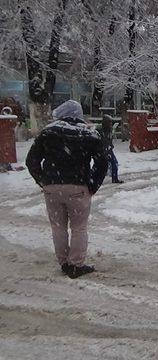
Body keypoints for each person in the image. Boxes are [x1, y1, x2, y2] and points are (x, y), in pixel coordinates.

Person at [26, 100, 108, 279]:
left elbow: (31, 160)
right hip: (78, 187)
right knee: (79, 227)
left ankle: (63, 262)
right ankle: (76, 265)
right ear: (78, 115)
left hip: (52, 187)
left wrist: (43, 181)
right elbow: (102, 161)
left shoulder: (48, 132)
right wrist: (93, 185)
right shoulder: (88, 134)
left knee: (58, 227)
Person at [101, 115, 123, 184]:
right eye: (110, 123)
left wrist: (111, 146)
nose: (111, 124)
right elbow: (104, 142)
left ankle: (115, 179)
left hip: (109, 150)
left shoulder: (109, 131)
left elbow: (109, 141)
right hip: (104, 151)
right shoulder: (103, 132)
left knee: (114, 164)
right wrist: (105, 149)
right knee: (102, 166)